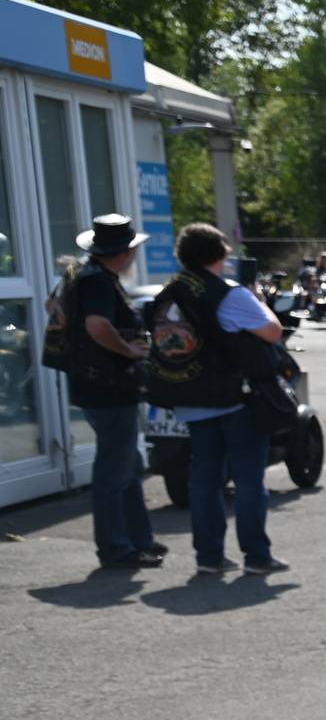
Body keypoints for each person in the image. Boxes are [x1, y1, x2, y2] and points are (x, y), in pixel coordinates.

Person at [146, 224, 287, 575]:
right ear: (220, 255)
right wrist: (262, 304)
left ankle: (208, 557)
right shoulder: (229, 293)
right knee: (249, 480)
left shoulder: (169, 292)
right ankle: (256, 556)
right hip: (235, 398)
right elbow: (272, 331)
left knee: (204, 480)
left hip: (190, 396)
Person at [55, 215, 162, 570]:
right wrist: (128, 350)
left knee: (126, 464)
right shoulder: (98, 282)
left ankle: (137, 540)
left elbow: (52, 309)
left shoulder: (79, 275)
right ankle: (116, 548)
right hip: (108, 386)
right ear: (123, 252)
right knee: (114, 470)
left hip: (94, 385)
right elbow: (97, 325)